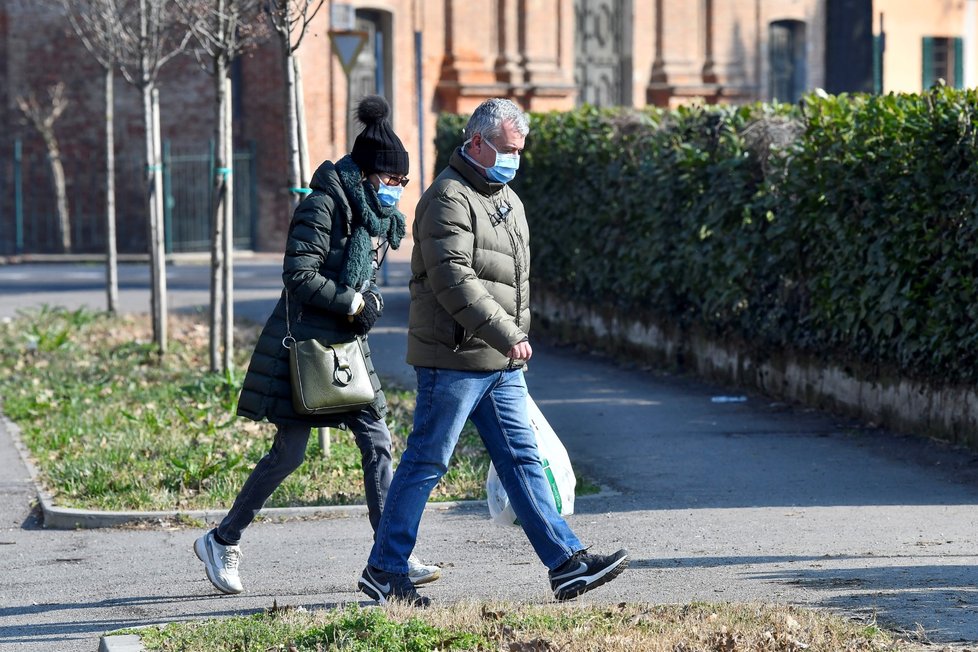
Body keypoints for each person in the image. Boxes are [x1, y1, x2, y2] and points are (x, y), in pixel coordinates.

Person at [357, 98, 629, 607]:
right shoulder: (448, 198)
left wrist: (510, 337)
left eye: (519, 151)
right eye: (507, 149)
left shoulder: (504, 197)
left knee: (523, 460)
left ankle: (566, 564)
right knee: (427, 460)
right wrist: (508, 332)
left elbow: (513, 279)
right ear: (476, 141)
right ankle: (384, 568)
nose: (514, 160)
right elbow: (453, 278)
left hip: (499, 360)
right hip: (455, 356)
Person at [193, 95, 440, 595]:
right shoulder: (324, 204)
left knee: (377, 442)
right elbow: (298, 274)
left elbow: (360, 279)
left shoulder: (373, 216)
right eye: (392, 182)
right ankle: (222, 538)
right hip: (305, 349)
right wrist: (352, 301)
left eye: (402, 183)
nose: (397, 191)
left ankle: (391, 557)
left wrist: (363, 304)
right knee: (289, 454)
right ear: (368, 174)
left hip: (347, 348)